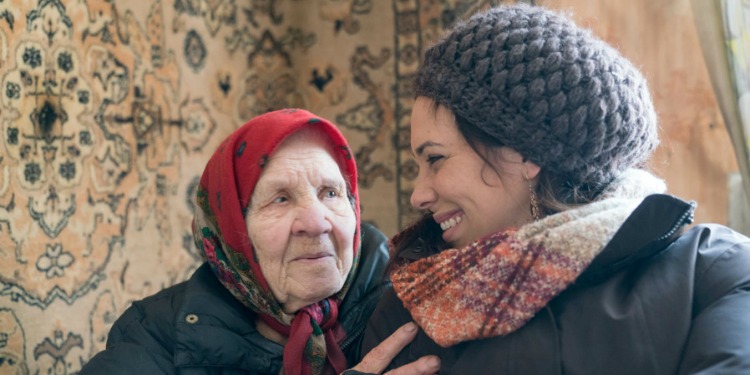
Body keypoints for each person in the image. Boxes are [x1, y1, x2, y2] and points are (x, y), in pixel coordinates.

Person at [362, 4, 750, 374]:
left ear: (524, 153)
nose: (419, 195)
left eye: (435, 159)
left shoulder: (716, 270)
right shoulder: (413, 306)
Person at [81, 109, 439, 375]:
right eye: (280, 199)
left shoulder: (412, 297)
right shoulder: (156, 332)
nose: (316, 223)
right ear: (229, 231)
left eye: (331, 193)